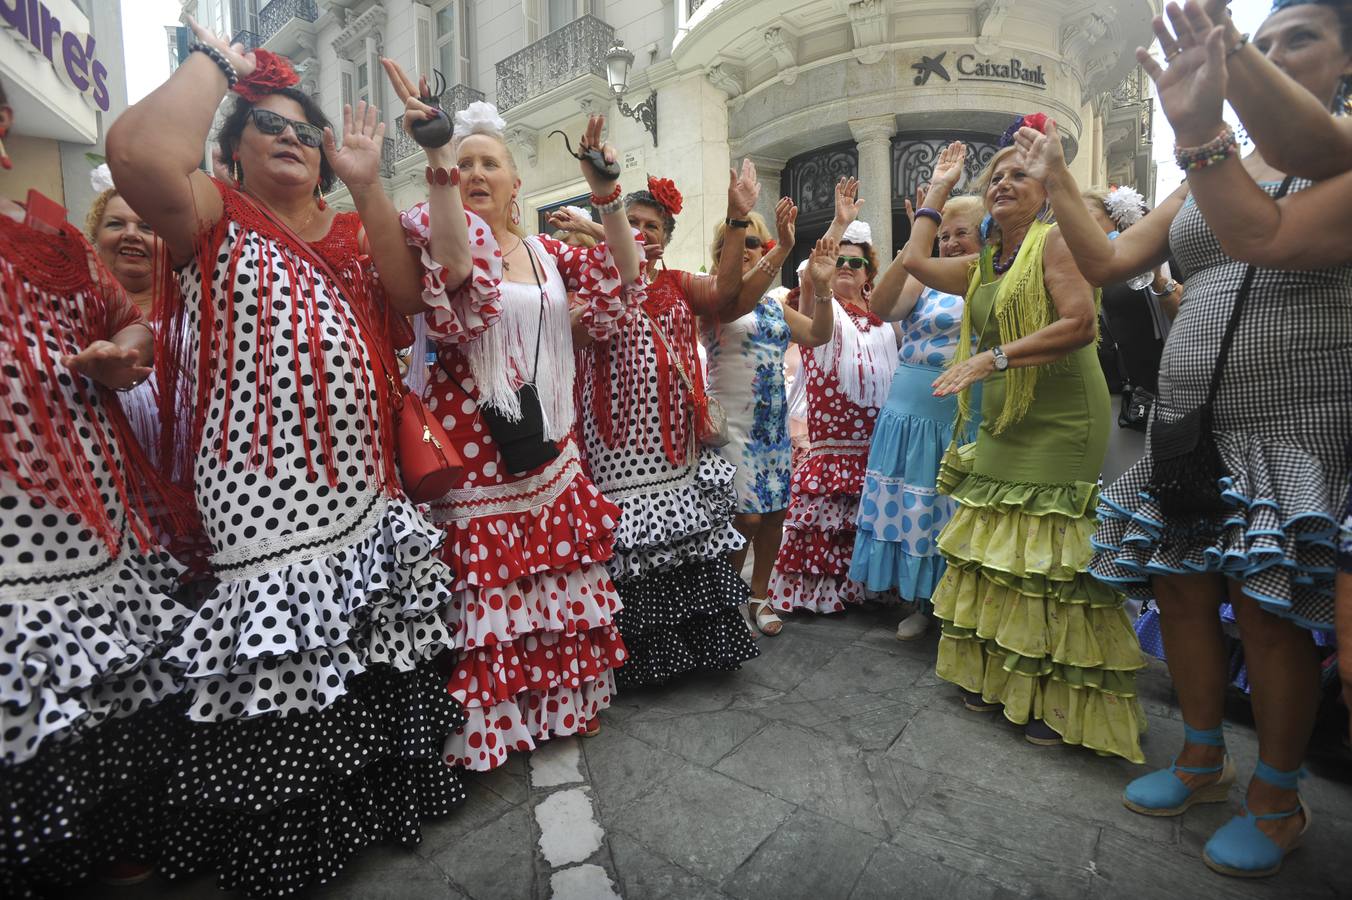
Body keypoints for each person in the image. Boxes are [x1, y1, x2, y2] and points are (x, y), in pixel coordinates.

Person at [107, 26, 469, 894]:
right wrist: (225, 68)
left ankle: (378, 808)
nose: (294, 139)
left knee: (366, 646)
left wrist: (371, 182)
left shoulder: (349, 226)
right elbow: (140, 151)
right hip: (260, 492)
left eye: (306, 132)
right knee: (283, 664)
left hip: (361, 485)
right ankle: (292, 842)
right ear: (226, 155)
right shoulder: (212, 217)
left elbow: (409, 295)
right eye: (268, 127)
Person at [1015, 0, 1352, 876]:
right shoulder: (1209, 169)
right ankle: (1203, 759)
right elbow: (1112, 262)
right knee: (1181, 587)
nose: (1263, 54)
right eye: (1259, 38)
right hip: (1187, 422)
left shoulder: (1341, 152)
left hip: (1294, 422)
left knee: (1268, 612)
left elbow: (1262, 236)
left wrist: (1203, 124)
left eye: (1298, 40)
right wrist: (1056, 178)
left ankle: (1277, 801)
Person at [386, 59, 638, 769]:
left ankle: (560, 703)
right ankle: (493, 722)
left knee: (553, 576)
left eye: (487, 162)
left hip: (547, 440)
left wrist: (607, 195)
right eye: (463, 163)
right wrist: (435, 150)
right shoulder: (434, 236)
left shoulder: (551, 253)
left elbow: (624, 277)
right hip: (471, 443)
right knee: (488, 588)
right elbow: (458, 275)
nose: (474, 172)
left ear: (515, 183)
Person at [0, 78, 190, 894]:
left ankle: (100, 844)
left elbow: (128, 319)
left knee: (100, 685)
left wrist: (131, 347)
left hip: (92, 517)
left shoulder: (54, 250)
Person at [902, 137, 1146, 761]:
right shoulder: (987, 260)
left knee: (1050, 555)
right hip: (1006, 409)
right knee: (1000, 549)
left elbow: (1079, 324)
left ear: (1046, 191)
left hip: (1062, 413)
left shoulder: (1058, 239)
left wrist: (994, 356)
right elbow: (913, 265)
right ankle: (1001, 677)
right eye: (995, 178)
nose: (1004, 183)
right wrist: (936, 192)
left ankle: (1062, 697)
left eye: (1021, 175)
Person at [572, 168, 763, 687]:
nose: (640, 231)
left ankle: (696, 649)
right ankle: (636, 660)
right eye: (630, 221)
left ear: (666, 236)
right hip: (611, 438)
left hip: (674, 437)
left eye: (651, 225)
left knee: (683, 534)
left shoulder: (679, 284)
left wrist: (738, 216)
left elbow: (727, 289)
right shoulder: (592, 278)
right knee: (629, 541)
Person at [850, 194, 984, 640]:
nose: (949, 243)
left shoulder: (997, 274)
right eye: (943, 235)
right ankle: (923, 603)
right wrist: (922, 232)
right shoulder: (925, 277)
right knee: (917, 509)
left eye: (960, 232)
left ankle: (960, 607)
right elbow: (882, 309)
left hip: (962, 416)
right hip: (907, 414)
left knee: (954, 511)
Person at [702, 205, 835, 636]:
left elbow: (817, 334)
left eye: (757, 241)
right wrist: (784, 250)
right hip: (731, 424)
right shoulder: (712, 296)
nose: (747, 249)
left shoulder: (774, 307)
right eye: (738, 241)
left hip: (772, 425)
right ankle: (727, 601)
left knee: (775, 513)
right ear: (723, 250)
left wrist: (825, 289)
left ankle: (760, 596)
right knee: (747, 517)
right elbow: (726, 308)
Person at [768, 182, 897, 617]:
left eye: (854, 263)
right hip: (830, 448)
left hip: (873, 450)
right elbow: (812, 279)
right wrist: (839, 223)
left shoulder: (884, 323)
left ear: (867, 274)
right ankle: (820, 593)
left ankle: (866, 588)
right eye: (838, 260)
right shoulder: (819, 307)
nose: (844, 267)